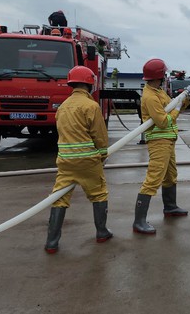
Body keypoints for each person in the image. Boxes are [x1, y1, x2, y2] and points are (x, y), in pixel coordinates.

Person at [44, 66, 111, 254]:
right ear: (90, 84)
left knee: (59, 198)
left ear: (71, 84)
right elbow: (99, 136)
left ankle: (51, 242)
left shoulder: (63, 107)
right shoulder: (91, 106)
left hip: (65, 162)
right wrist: (102, 155)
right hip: (88, 161)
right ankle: (102, 232)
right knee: (99, 193)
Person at [133, 58, 190, 235]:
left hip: (168, 140)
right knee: (153, 178)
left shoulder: (159, 92)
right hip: (159, 141)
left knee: (170, 175)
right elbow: (162, 121)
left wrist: (186, 99)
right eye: (164, 74)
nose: (165, 77)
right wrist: (177, 108)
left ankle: (170, 207)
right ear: (159, 76)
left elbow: (173, 107)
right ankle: (138, 221)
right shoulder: (150, 96)